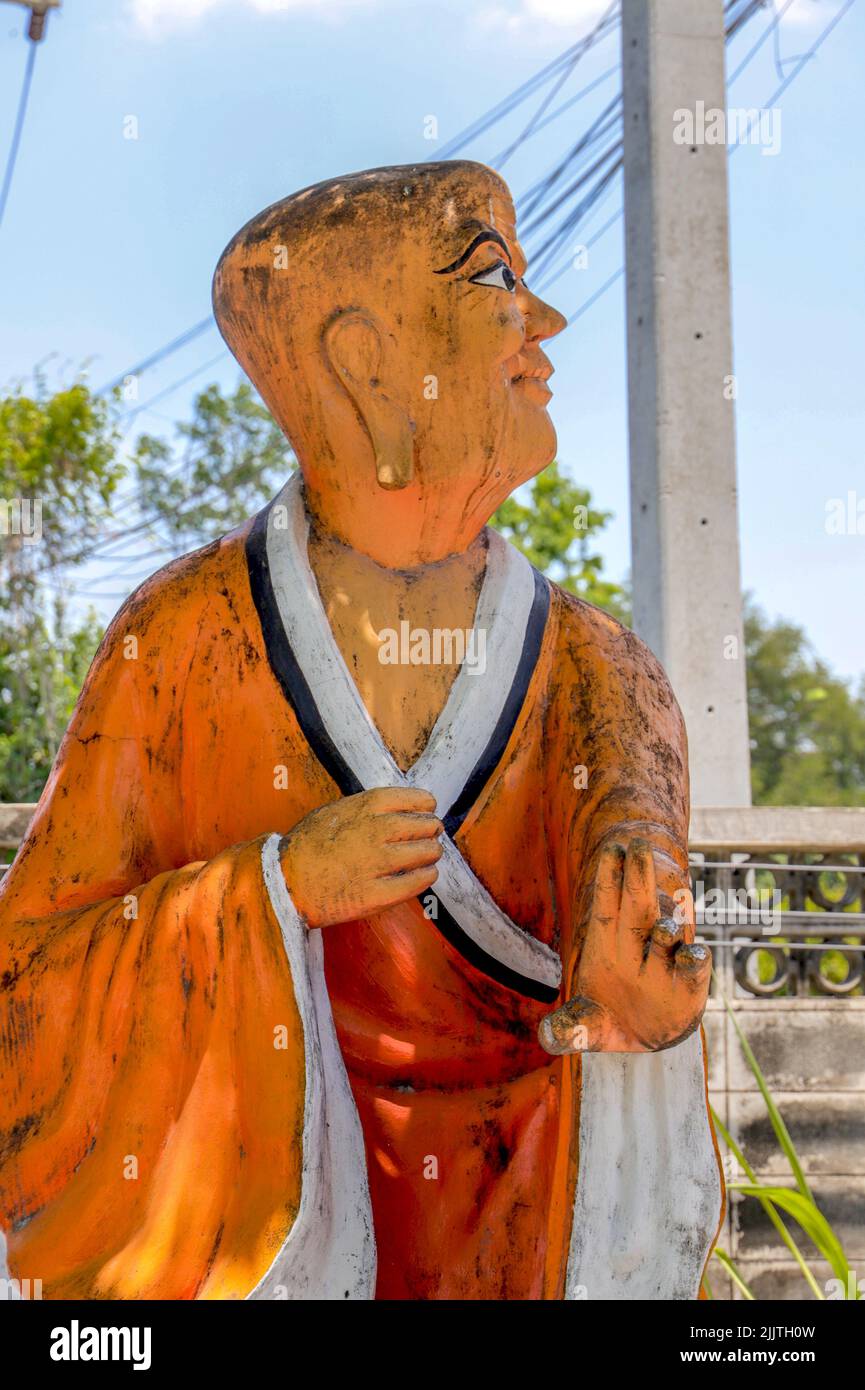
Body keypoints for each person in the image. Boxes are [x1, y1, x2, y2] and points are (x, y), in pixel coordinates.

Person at [0, 161, 722, 1300]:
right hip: (276, 1233)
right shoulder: (181, 642)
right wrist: (274, 892)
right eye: (493, 278)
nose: (543, 326)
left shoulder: (600, 671)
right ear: (363, 356)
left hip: (535, 1229)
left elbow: (639, 897)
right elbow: (26, 991)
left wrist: (646, 968)